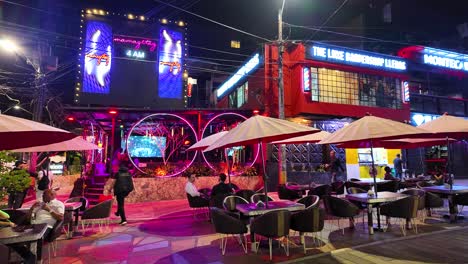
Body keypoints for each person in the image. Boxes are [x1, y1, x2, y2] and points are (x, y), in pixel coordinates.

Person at [11, 189, 64, 264]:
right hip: (32, 225)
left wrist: (49, 210)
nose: (42, 196)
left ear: (52, 195)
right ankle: (29, 258)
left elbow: (61, 217)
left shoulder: (58, 204)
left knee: (35, 240)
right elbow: (28, 218)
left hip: (45, 226)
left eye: (44, 194)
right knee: (14, 240)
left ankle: (33, 260)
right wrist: (32, 208)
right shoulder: (40, 204)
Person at [113, 160, 134, 225]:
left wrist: (110, 189)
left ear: (119, 167)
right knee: (120, 202)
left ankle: (124, 220)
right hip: (127, 190)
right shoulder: (129, 173)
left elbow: (114, 182)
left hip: (120, 190)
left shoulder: (117, 173)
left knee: (121, 204)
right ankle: (118, 212)